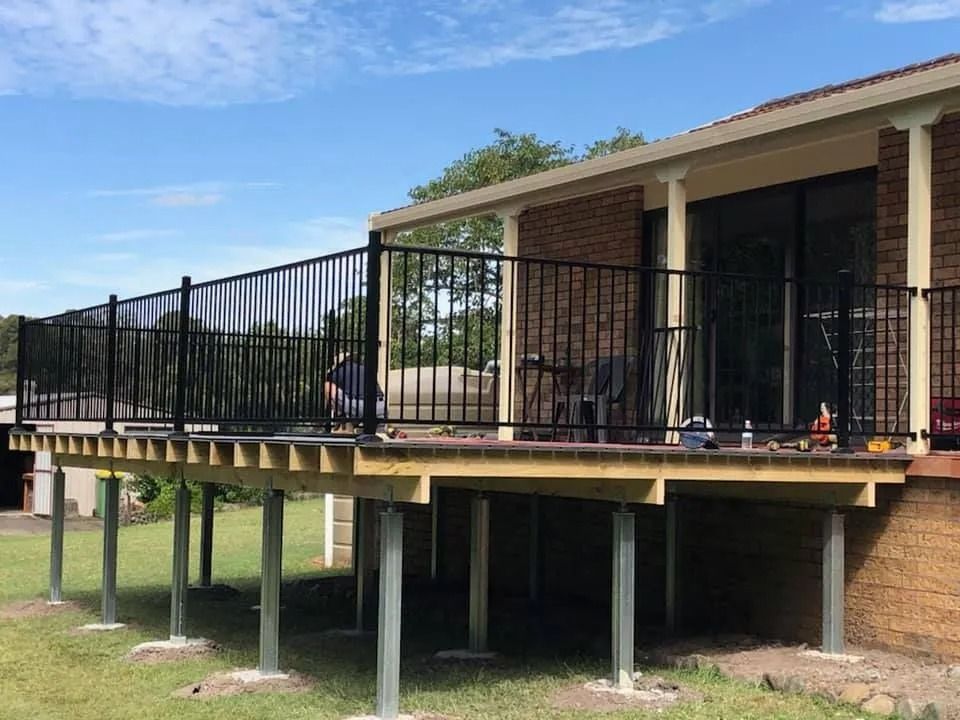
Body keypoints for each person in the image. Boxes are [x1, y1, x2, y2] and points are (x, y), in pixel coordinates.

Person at [324, 354, 385, 421]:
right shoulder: (366, 370)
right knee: (375, 430)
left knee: (328, 385)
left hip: (357, 407)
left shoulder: (340, 370)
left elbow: (331, 390)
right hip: (380, 407)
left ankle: (341, 418)